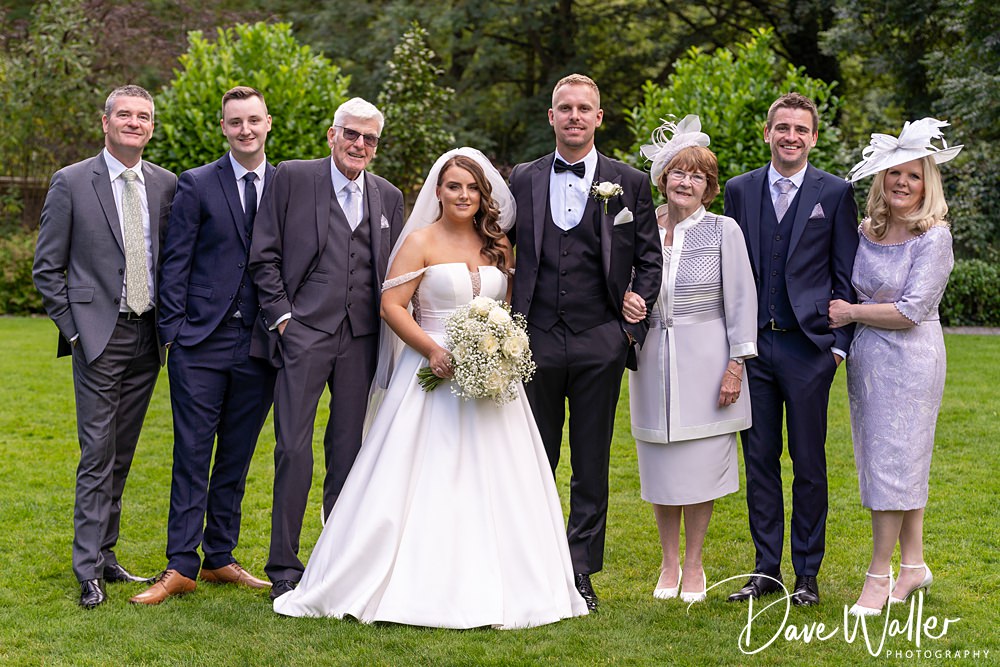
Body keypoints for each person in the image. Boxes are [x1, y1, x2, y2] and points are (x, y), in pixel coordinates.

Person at [272, 148, 588, 628]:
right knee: (420, 475)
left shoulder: (498, 245)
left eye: (472, 188)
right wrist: (433, 351)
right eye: (454, 186)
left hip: (492, 380)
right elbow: (391, 305)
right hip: (431, 374)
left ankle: (507, 581)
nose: (463, 195)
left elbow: (513, 301)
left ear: (484, 195)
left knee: (501, 481)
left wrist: (502, 349)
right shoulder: (420, 241)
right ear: (438, 192)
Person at [508, 73, 662, 609]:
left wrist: (629, 328)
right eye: (565, 108)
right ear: (551, 117)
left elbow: (649, 259)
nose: (574, 116)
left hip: (601, 341)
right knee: (534, 459)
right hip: (533, 343)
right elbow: (499, 248)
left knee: (591, 464)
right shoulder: (520, 178)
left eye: (585, 109)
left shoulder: (630, 182)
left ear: (600, 117)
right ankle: (533, 566)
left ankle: (579, 573)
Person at [248, 97, 404, 599]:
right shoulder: (292, 176)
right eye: (352, 135)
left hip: (361, 339)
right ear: (332, 134)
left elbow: (397, 272)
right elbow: (264, 254)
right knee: (293, 447)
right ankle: (284, 567)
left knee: (348, 451)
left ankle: (336, 564)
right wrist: (284, 318)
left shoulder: (389, 196)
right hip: (304, 333)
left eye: (370, 139)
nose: (360, 145)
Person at [32, 85, 178, 608]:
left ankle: (107, 554)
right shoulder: (72, 182)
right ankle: (87, 569)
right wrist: (75, 331)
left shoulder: (166, 185)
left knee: (122, 451)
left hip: (148, 335)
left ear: (151, 126)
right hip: (98, 334)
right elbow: (47, 269)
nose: (134, 122)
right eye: (125, 115)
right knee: (97, 453)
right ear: (105, 122)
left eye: (144, 116)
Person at [130, 87, 277, 604]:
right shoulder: (196, 183)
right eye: (235, 122)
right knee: (192, 454)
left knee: (236, 456)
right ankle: (179, 565)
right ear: (223, 127)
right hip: (200, 342)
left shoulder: (283, 185)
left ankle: (220, 557)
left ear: (268, 124)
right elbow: (175, 260)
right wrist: (174, 332)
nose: (245, 130)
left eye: (253, 121)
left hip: (260, 346)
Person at [723, 92, 859, 606]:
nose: (791, 137)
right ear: (767, 133)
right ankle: (765, 570)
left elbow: (845, 274)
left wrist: (838, 349)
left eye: (801, 129)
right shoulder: (740, 190)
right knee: (759, 460)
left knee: (808, 462)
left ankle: (807, 574)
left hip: (809, 351)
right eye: (782, 128)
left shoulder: (836, 192)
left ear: (814, 137)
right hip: (754, 350)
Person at [621, 116, 757, 603]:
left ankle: (695, 564)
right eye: (678, 173)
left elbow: (742, 301)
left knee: (700, 467)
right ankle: (668, 562)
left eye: (696, 176)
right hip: (652, 356)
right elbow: (616, 279)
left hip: (708, 361)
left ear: (709, 187)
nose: (685, 182)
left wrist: (736, 365)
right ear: (662, 179)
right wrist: (624, 300)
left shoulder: (725, 230)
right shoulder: (637, 228)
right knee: (661, 465)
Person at [829, 118, 959, 616]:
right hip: (868, 363)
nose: (902, 183)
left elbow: (909, 311)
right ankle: (914, 566)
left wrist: (851, 312)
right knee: (890, 465)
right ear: (881, 180)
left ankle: (878, 576)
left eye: (913, 176)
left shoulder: (934, 238)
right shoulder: (867, 231)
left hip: (912, 361)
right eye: (894, 174)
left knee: (894, 467)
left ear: (928, 184)